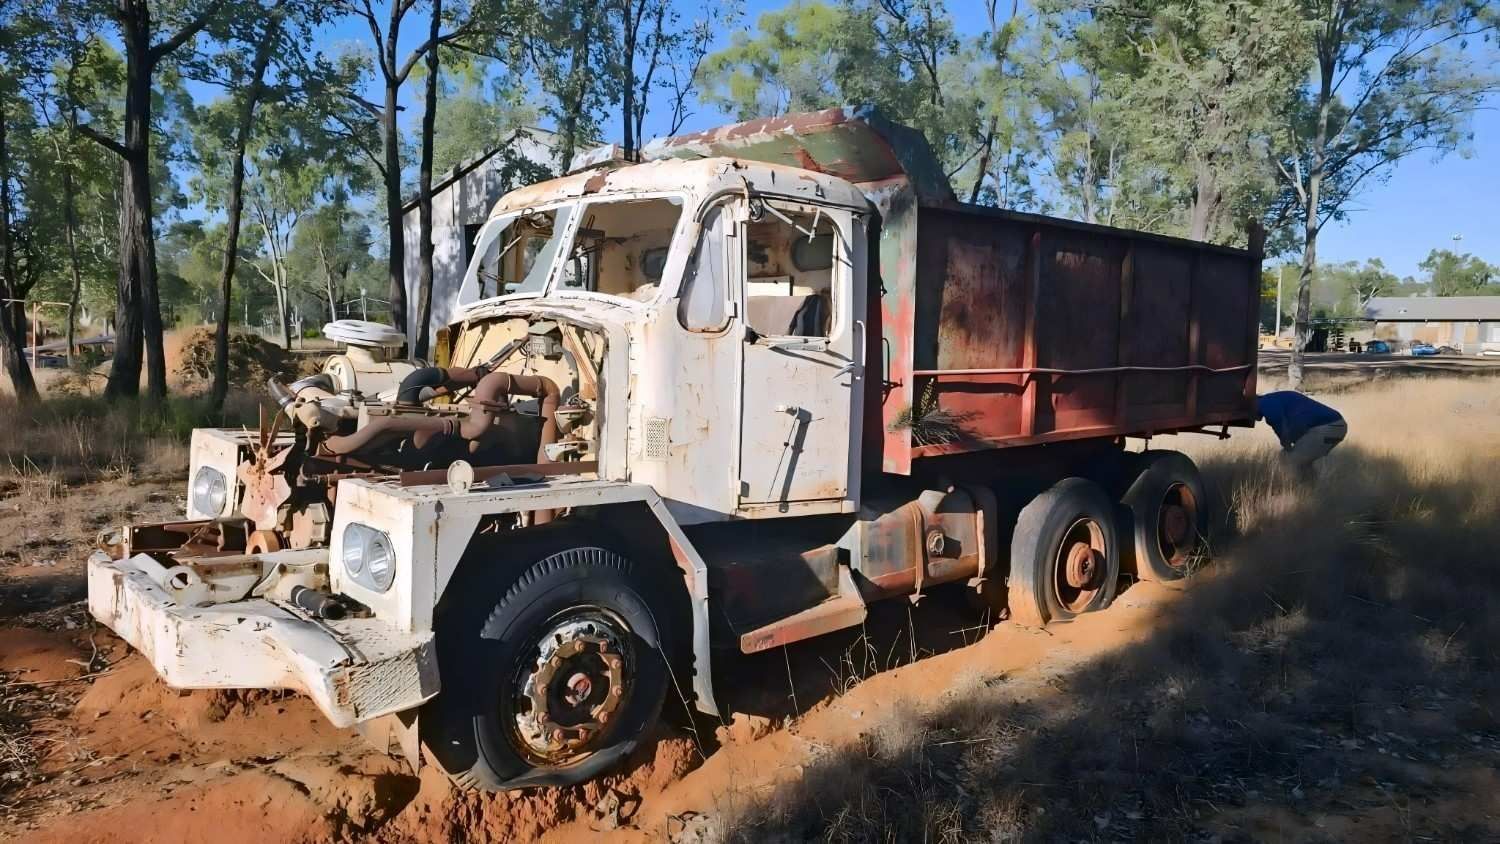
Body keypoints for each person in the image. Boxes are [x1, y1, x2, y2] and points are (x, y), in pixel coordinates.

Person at [1256, 391, 1347, 474]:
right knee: (1300, 462)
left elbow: (1283, 431)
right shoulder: (1270, 400)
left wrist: (1287, 445)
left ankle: (1297, 489)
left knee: (1289, 460)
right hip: (1335, 426)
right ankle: (1315, 488)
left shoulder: (1266, 404)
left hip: (1328, 427)